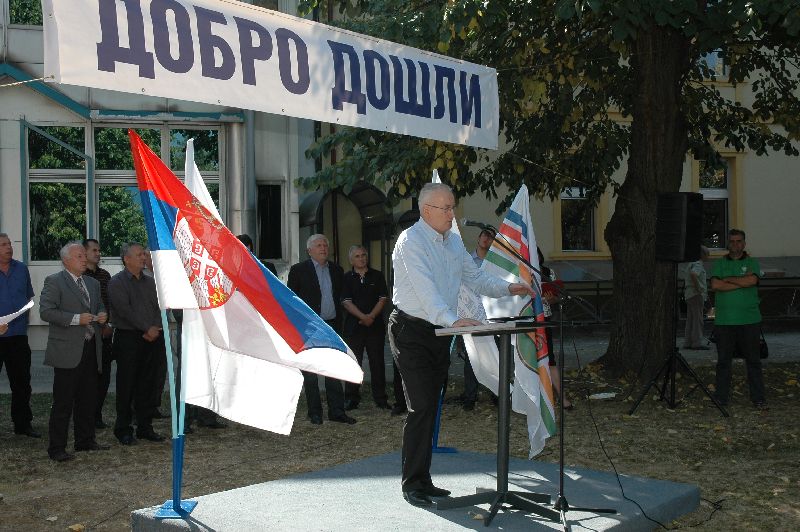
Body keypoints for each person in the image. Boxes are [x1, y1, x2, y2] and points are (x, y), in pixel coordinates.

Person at [389, 183, 534, 507]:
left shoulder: (453, 242)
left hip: (440, 331)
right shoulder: (410, 242)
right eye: (446, 208)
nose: (452, 214)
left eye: (453, 207)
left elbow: (476, 278)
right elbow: (426, 292)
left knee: (431, 404)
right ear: (426, 210)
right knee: (421, 405)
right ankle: (413, 483)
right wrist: (452, 320)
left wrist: (508, 288)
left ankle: (424, 480)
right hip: (411, 330)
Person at [39, 242, 110, 462]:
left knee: (88, 398)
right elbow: (46, 312)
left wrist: (102, 314)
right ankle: (57, 448)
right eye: (79, 256)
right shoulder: (54, 281)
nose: (84, 259)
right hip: (67, 350)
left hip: (91, 347)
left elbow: (99, 306)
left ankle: (85, 440)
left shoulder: (92, 283)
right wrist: (76, 319)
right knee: (63, 401)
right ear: (66, 260)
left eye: (83, 255)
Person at [287, 234, 355, 425]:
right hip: (309, 328)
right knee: (311, 373)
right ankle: (315, 412)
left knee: (333, 369)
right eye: (319, 245)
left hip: (331, 326)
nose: (323, 248)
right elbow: (292, 300)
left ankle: (337, 411)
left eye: (325, 245)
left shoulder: (336, 270)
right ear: (309, 250)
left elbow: (341, 297)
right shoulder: (298, 270)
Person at [109, 243, 166, 444]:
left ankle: (145, 427)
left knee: (147, 384)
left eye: (144, 254)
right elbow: (125, 311)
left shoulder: (150, 282)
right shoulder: (117, 282)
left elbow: (159, 308)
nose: (144, 257)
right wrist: (146, 328)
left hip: (152, 339)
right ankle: (123, 429)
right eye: (139, 254)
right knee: (127, 385)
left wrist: (155, 328)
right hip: (129, 339)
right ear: (127, 259)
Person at [710, 229, 766, 409]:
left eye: (739, 241)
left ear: (744, 243)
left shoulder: (752, 262)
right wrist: (741, 281)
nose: (735, 244)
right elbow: (715, 284)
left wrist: (728, 280)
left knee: (754, 362)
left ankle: (758, 399)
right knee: (723, 362)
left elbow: (752, 281)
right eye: (732, 241)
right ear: (728, 244)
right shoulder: (719, 263)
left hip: (749, 320)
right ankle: (721, 399)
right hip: (724, 321)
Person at [341, 245, 391, 411]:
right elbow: (346, 302)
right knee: (353, 363)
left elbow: (382, 299)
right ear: (351, 260)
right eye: (357, 256)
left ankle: (381, 398)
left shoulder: (377, 276)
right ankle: (351, 398)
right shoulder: (346, 278)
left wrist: (371, 317)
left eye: (363, 255)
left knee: (377, 363)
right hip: (354, 328)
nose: (361, 258)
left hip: (375, 327)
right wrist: (363, 317)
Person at [0, 232, 40, 438]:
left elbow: (28, 298)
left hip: (17, 336)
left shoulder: (21, 269)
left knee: (22, 382)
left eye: (9, 244)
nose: (9, 247)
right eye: (3, 245)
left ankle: (23, 424)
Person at [457, 228, 498, 411]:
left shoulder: (496, 264)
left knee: (494, 356)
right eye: (484, 235)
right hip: (471, 315)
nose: (486, 239)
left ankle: (497, 394)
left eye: (491, 237)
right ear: (479, 237)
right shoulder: (466, 261)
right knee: (471, 357)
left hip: (492, 314)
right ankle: (470, 397)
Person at [82, 238, 115, 428]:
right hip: (86, 333)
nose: (98, 253)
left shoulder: (104, 275)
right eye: (94, 250)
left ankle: (97, 415)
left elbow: (110, 303)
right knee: (87, 377)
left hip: (105, 332)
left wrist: (109, 325)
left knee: (104, 376)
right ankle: (85, 414)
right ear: (84, 252)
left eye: (99, 250)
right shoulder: (80, 275)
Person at [538, 247, 572, 410]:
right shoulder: (520, 272)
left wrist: (551, 298)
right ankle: (537, 398)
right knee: (529, 359)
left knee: (549, 358)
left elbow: (557, 297)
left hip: (544, 319)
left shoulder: (547, 272)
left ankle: (561, 396)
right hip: (526, 319)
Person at [683, 246, 710, 350]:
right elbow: (694, 274)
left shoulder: (691, 263)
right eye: (707, 254)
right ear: (702, 254)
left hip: (689, 294)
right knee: (698, 319)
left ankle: (688, 342)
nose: (708, 257)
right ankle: (697, 342)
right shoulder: (698, 264)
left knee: (690, 319)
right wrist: (699, 288)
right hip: (696, 294)